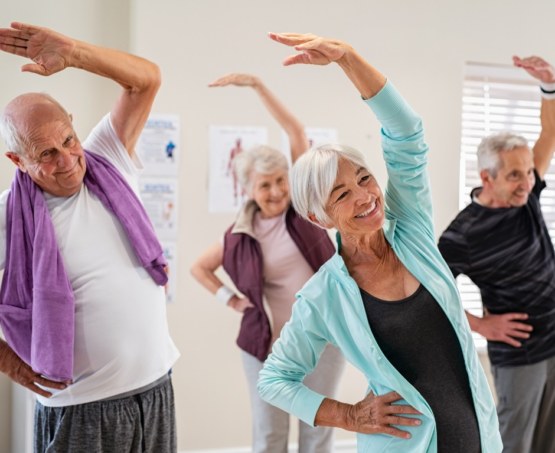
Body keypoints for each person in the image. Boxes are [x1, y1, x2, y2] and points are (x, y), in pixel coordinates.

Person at [257, 32, 502, 453]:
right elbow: (274, 380)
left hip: (479, 437)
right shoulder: (324, 294)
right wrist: (349, 415)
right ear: (319, 217)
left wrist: (347, 57)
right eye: (341, 194)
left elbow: (406, 131)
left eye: (364, 178)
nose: (365, 196)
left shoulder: (412, 231)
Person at [0, 22, 179, 452]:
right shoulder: (8, 214)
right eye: (46, 154)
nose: (68, 161)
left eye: (68, 140)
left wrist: (75, 53)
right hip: (81, 408)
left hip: (155, 389)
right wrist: (6, 360)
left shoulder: (107, 158)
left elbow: (146, 80)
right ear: (17, 160)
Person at [191, 72, 345, 453]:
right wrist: (229, 300)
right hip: (266, 347)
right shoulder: (239, 234)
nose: (276, 191)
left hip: (322, 339)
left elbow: (295, 131)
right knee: (269, 435)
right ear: (248, 189)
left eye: (281, 180)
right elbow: (199, 268)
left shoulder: (305, 210)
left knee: (317, 431)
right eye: (264, 185)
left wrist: (258, 87)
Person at [438, 56, 555, 453]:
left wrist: (549, 86)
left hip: (554, 334)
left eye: (527, 172)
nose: (528, 182)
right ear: (486, 177)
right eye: (514, 175)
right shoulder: (462, 235)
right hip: (521, 353)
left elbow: (549, 132)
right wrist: (481, 325)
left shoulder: (526, 194)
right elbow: (431, 294)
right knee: (515, 442)